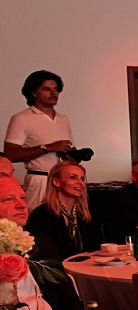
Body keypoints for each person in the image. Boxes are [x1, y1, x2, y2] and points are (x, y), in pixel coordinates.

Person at [0, 176, 85, 310]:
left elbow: (67, 297)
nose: (21, 205)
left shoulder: (40, 243)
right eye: (9, 199)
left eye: (22, 198)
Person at [4, 70, 76, 210]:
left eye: (56, 89)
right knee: (36, 220)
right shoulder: (22, 118)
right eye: (47, 89)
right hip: (39, 180)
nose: (53, 93)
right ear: (33, 93)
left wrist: (75, 155)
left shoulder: (63, 119)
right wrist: (47, 148)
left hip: (63, 181)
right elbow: (10, 154)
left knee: (64, 219)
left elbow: (69, 152)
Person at [25, 160, 101, 259]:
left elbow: (94, 248)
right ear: (56, 182)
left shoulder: (83, 213)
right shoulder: (42, 214)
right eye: (73, 177)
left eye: (82, 179)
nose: (81, 183)